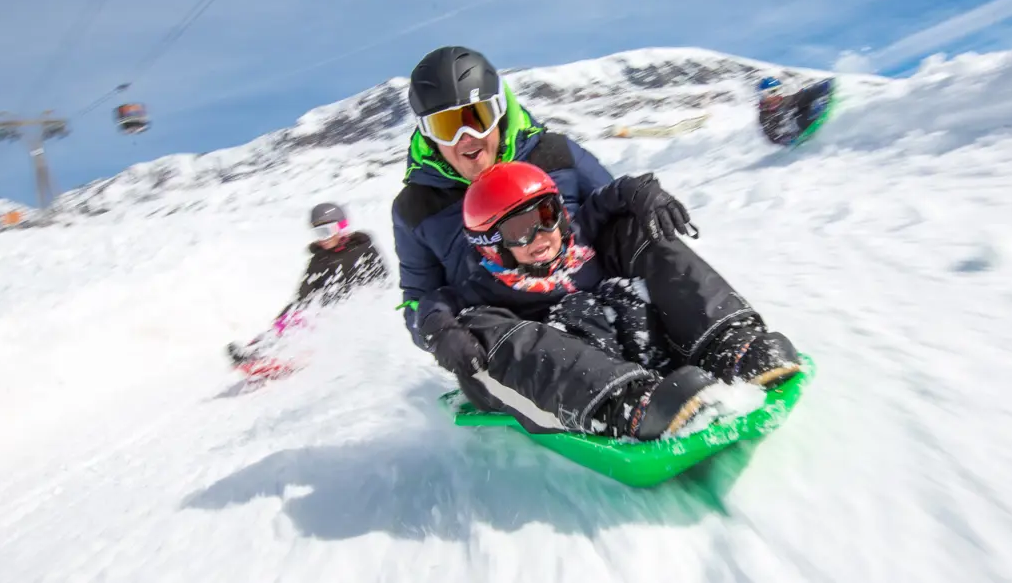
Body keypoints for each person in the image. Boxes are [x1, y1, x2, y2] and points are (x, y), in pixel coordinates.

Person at [413, 161, 803, 441]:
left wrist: (640, 191)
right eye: (519, 230)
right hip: (568, 376)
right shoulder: (486, 286)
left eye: (546, 215)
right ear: (491, 245)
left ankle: (727, 345)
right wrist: (442, 331)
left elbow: (608, 199)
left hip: (634, 343)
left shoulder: (578, 237)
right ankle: (626, 404)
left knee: (634, 228)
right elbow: (434, 303)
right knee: (478, 323)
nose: (540, 235)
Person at [392, 46, 615, 347]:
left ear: (499, 113)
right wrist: (435, 331)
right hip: (511, 343)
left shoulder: (554, 153)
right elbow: (417, 298)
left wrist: (641, 205)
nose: (466, 137)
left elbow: (614, 212)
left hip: (600, 301)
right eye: (447, 127)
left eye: (477, 118)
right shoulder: (416, 208)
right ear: (429, 136)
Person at [227, 202, 387, 367]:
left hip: (351, 314)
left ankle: (292, 355)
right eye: (318, 233)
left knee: (311, 320)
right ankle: (256, 351)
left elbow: (379, 281)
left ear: (341, 227)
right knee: (293, 319)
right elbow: (304, 294)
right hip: (322, 310)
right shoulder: (319, 260)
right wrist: (284, 318)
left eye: (326, 231)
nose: (323, 238)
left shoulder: (362, 250)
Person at [757, 75, 833, 146]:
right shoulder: (765, 115)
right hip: (795, 133)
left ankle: (826, 86)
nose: (775, 95)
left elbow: (802, 96)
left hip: (802, 119)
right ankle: (817, 113)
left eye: (777, 91)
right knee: (793, 119)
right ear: (763, 96)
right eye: (770, 93)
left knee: (804, 96)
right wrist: (788, 139)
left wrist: (820, 88)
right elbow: (773, 136)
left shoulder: (785, 100)